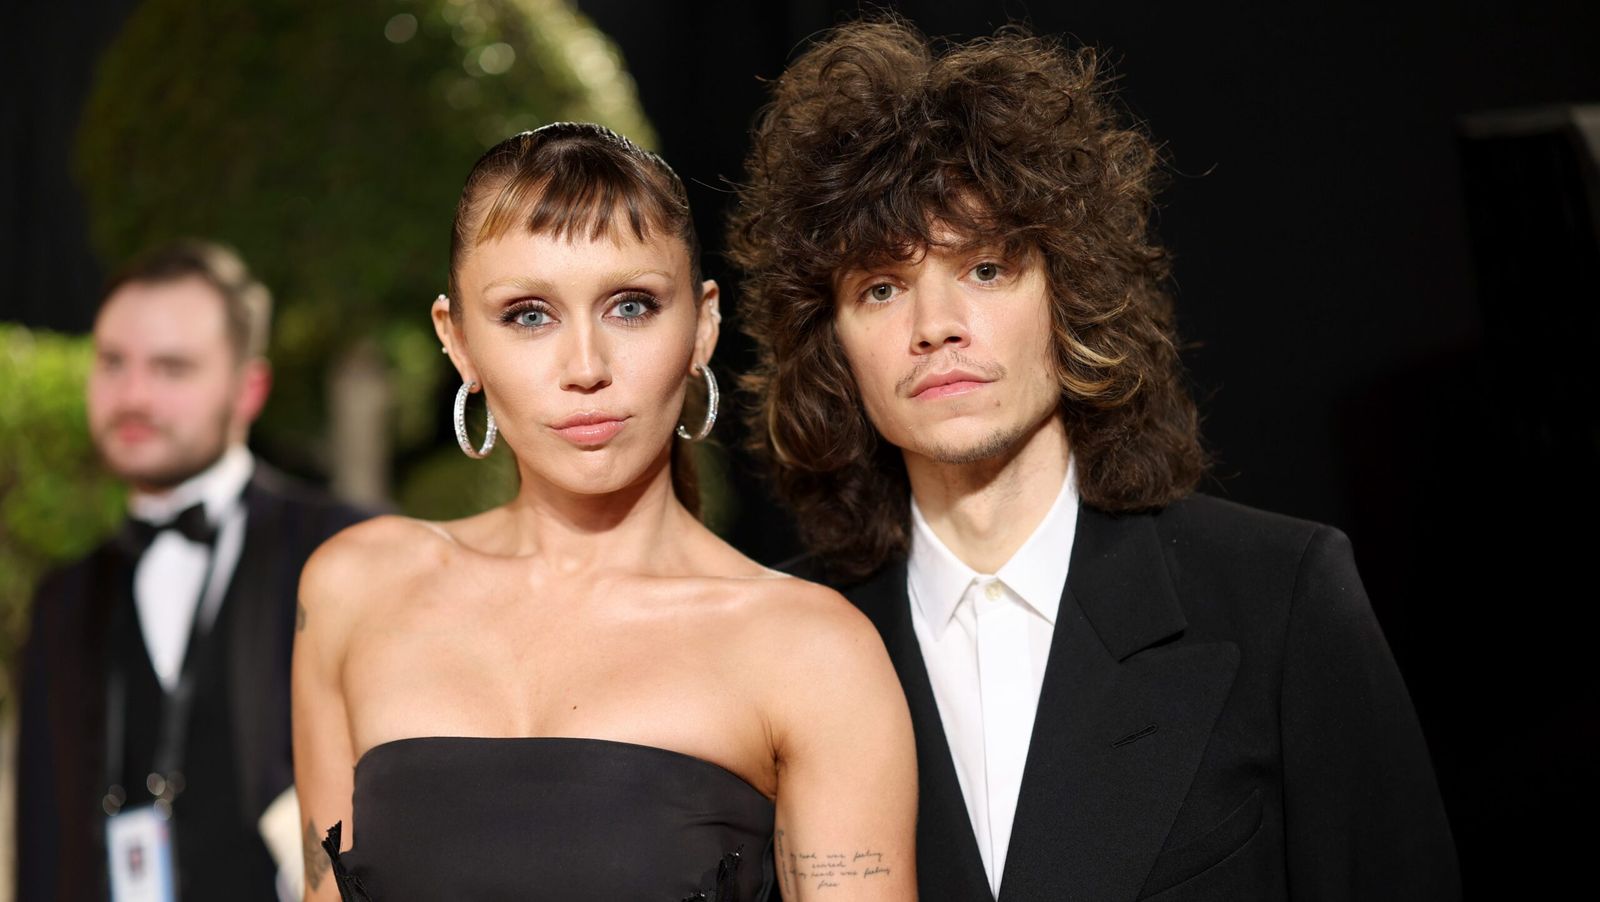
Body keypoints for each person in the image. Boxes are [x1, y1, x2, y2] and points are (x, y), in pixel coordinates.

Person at [729, 18, 1461, 902]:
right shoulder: (777, 647)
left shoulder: (1279, 598)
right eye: (881, 288)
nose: (935, 326)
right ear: (832, 345)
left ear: (1071, 292)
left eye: (986, 269)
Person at [291, 123, 917, 902]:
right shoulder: (355, 589)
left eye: (631, 306)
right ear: (458, 341)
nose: (585, 367)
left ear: (704, 325)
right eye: (528, 314)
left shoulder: (810, 650)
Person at [16, 240, 370, 901]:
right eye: (113, 362)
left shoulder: (345, 548)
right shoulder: (63, 595)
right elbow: (41, 839)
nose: (133, 395)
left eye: (171, 368)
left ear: (248, 389)